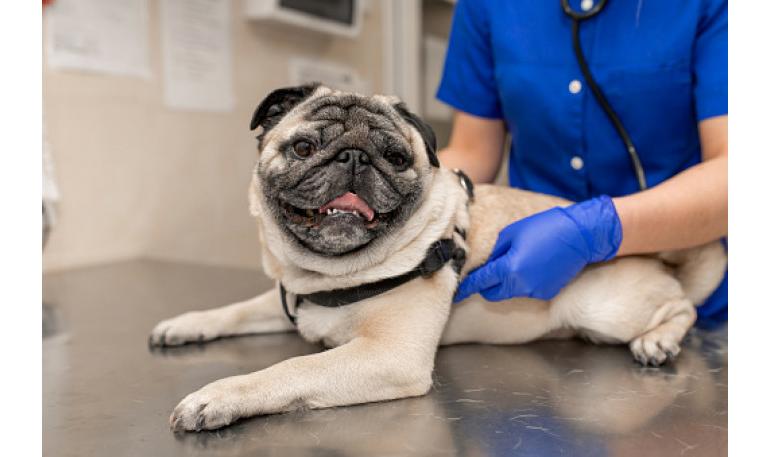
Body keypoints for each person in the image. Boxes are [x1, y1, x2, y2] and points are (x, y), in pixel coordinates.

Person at [437, 0, 727, 327]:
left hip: (692, 289)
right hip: (535, 298)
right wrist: (408, 192)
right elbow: (473, 152)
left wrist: (597, 230)